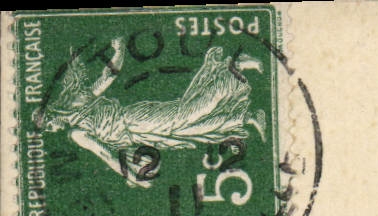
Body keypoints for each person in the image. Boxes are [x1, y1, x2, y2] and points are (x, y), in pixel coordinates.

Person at [33, 38, 267, 189]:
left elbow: (105, 154)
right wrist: (119, 51)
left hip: (135, 120)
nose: (54, 130)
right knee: (189, 130)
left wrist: (130, 176)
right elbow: (108, 76)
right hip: (138, 134)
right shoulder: (77, 117)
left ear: (51, 115)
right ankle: (245, 117)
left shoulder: (77, 130)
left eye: (49, 126)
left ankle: (234, 67)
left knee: (186, 114)